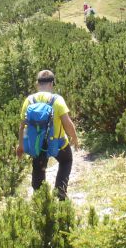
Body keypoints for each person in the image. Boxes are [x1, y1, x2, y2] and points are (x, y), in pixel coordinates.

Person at [16, 70, 79, 200]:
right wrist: (74, 137)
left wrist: (20, 146)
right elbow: (67, 123)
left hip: (38, 144)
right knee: (66, 161)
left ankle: (40, 199)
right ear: (51, 83)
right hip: (59, 143)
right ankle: (60, 192)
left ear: (37, 84)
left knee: (39, 169)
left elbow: (22, 126)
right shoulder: (57, 100)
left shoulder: (29, 100)